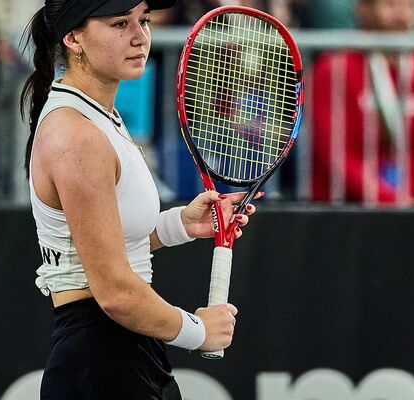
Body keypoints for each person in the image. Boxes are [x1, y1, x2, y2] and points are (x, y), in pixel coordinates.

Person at [21, 0, 258, 398]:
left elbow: (105, 243)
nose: (139, 37)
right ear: (73, 37)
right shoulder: (76, 135)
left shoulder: (98, 117)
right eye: (119, 23)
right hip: (100, 364)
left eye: (143, 21)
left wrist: (178, 224)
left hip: (122, 355)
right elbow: (113, 292)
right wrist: (198, 332)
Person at [309, 0, 414, 206]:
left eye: (411, 6)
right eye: (390, 4)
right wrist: (392, 202)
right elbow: (335, 154)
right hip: (348, 211)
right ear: (362, 10)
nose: (401, 15)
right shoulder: (333, 70)